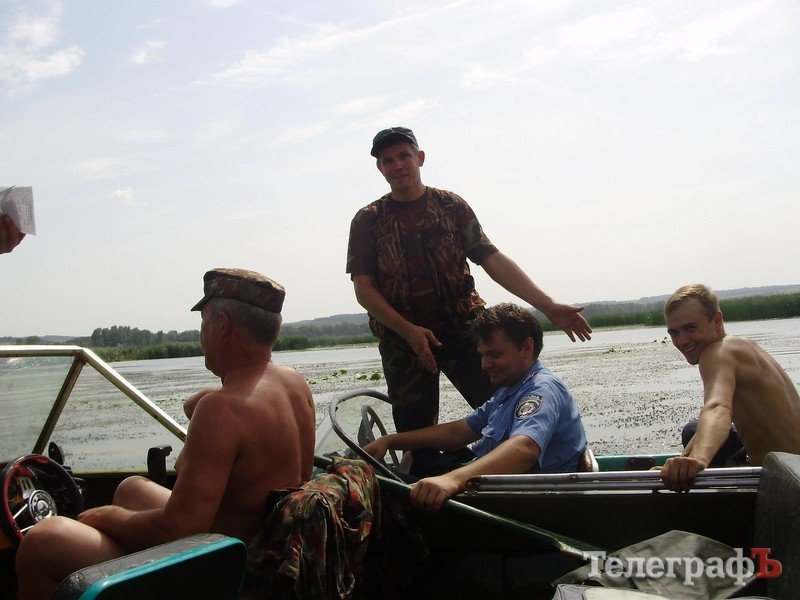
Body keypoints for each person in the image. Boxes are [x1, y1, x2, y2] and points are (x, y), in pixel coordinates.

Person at [15, 268, 317, 599]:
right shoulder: (293, 384)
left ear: (222, 326)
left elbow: (179, 529)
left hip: (223, 572)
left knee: (43, 541)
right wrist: (209, 398)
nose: (201, 334)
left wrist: (106, 517)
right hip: (267, 548)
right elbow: (213, 407)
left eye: (203, 324)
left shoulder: (223, 411)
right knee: (130, 489)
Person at [346, 126, 591, 433]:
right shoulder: (368, 219)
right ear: (380, 168)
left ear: (420, 158)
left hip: (464, 331)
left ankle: (526, 466)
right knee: (414, 434)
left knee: (506, 415)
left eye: (403, 156)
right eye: (388, 160)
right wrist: (408, 332)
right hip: (402, 340)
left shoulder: (451, 206)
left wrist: (548, 306)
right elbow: (364, 289)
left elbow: (491, 258)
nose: (397, 166)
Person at [363, 303, 587, 513]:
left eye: (494, 354)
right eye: (482, 355)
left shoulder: (541, 390)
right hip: (485, 487)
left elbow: (525, 448)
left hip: (515, 504)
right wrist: (392, 440)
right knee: (417, 455)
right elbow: (458, 431)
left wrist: (453, 480)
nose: (484, 364)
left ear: (526, 347)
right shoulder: (509, 389)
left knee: (379, 488)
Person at [659, 284, 800, 492]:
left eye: (690, 328)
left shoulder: (716, 353)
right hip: (793, 468)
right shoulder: (742, 346)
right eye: (674, 332)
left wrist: (698, 459)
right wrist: (682, 459)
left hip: (787, 487)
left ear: (717, 320)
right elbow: (713, 419)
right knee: (694, 429)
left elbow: (717, 407)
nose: (681, 340)